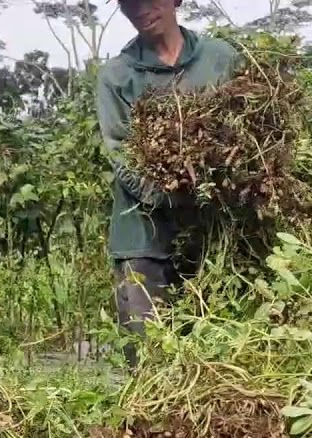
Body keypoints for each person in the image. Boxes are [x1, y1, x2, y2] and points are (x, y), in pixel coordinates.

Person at [96, 0, 239, 365]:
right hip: (143, 243)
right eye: (129, 3)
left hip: (214, 239)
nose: (140, 9)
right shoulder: (117, 76)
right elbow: (121, 154)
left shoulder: (220, 59)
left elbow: (246, 132)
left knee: (217, 360)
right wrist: (175, 195)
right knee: (151, 365)